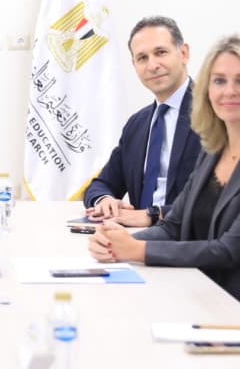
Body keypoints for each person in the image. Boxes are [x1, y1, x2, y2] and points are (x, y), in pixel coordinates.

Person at [87, 34, 240, 335]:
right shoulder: (213, 152)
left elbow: (229, 251)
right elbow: (173, 226)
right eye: (219, 81)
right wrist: (115, 243)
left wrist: (136, 249)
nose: (229, 91)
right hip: (203, 294)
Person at [84, 16, 201, 226]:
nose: (152, 65)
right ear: (134, 65)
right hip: (135, 237)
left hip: (187, 237)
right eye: (142, 58)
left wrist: (152, 215)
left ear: (183, 53)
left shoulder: (215, 115)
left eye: (161, 52)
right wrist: (105, 200)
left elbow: (219, 200)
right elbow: (101, 184)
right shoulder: (136, 124)